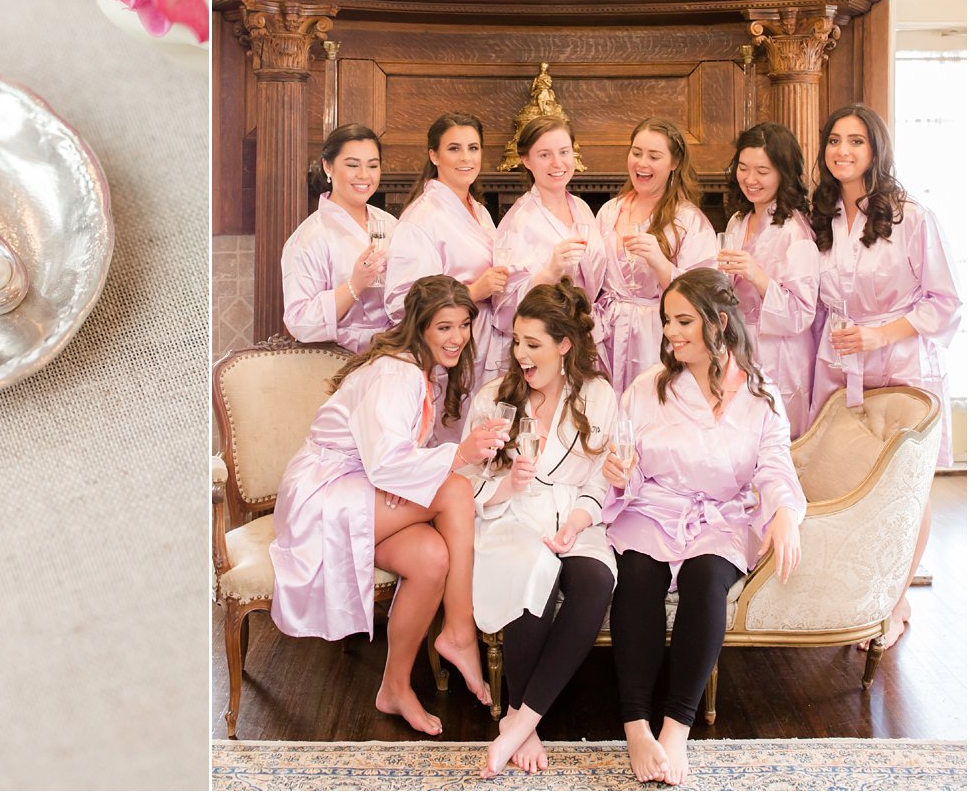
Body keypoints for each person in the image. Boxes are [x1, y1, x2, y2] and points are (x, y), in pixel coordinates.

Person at [269, 275, 512, 734]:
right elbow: (386, 463)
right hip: (325, 495)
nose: (457, 337)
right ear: (420, 327)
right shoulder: (395, 373)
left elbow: (391, 462)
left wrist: (436, 466)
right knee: (457, 488)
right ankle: (460, 632)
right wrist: (459, 455)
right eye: (444, 327)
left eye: (463, 325)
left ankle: (395, 688)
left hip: (361, 488)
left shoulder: (415, 371)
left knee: (431, 557)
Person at [603, 269, 804, 785]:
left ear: (719, 322)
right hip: (654, 506)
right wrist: (621, 474)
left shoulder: (761, 394)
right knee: (638, 581)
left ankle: (674, 731)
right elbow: (626, 458)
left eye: (684, 321)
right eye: (668, 320)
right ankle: (635, 729)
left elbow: (775, 463)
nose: (671, 332)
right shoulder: (650, 387)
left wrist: (783, 512)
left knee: (705, 580)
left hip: (720, 515)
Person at [810, 104, 962, 650]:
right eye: (833, 141)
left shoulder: (910, 216)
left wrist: (881, 335)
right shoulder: (822, 216)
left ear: (876, 149)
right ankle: (854, 594)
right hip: (840, 364)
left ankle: (894, 604)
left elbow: (946, 302)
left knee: (904, 485)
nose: (842, 151)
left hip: (900, 362)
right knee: (848, 478)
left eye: (855, 141)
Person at [470, 280, 618, 779]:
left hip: (575, 519)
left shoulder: (597, 396)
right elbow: (468, 480)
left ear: (564, 345)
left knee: (596, 581)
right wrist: (508, 485)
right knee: (532, 569)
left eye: (533, 344)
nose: (520, 354)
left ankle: (515, 722)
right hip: (512, 516)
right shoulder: (496, 398)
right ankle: (525, 723)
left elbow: (600, 482)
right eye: (516, 341)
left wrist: (575, 527)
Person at [384, 113, 511, 437]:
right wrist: (473, 291)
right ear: (434, 155)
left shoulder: (478, 210)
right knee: (452, 444)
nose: (466, 158)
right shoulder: (422, 217)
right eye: (454, 148)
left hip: (485, 343)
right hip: (449, 351)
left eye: (473, 147)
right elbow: (401, 301)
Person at [595, 118, 717, 395]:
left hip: (658, 334)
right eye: (636, 153)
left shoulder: (688, 220)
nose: (642, 163)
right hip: (610, 330)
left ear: (673, 163)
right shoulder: (610, 211)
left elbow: (705, 294)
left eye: (654, 156)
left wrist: (661, 264)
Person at [716, 122, 820, 436]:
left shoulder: (795, 231)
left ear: (783, 173)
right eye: (743, 168)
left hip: (780, 354)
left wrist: (757, 276)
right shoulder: (738, 220)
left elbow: (802, 313)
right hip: (739, 347)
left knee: (774, 440)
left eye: (762, 171)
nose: (750, 179)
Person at [282, 124, 398, 353]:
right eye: (353, 165)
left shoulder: (391, 224)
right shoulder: (310, 237)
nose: (364, 175)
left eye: (373, 165)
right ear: (328, 166)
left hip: (394, 352)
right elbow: (299, 322)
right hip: (339, 364)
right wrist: (355, 284)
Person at [493, 115, 607, 340]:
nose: (558, 163)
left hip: (588, 334)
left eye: (564, 152)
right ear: (526, 160)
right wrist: (550, 272)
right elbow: (503, 307)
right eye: (544, 155)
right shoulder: (519, 221)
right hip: (547, 339)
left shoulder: (582, 208)